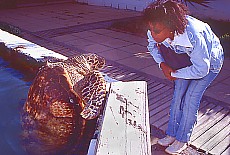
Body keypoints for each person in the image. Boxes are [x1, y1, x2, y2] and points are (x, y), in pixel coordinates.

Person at [143, 0, 224, 154]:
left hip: (208, 65)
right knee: (178, 95)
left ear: (171, 26)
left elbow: (201, 69)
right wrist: (162, 64)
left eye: (157, 31)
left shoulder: (194, 34)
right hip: (185, 61)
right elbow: (151, 46)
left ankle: (183, 139)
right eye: (150, 29)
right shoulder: (156, 27)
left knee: (190, 98)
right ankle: (172, 134)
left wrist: (174, 73)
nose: (152, 34)